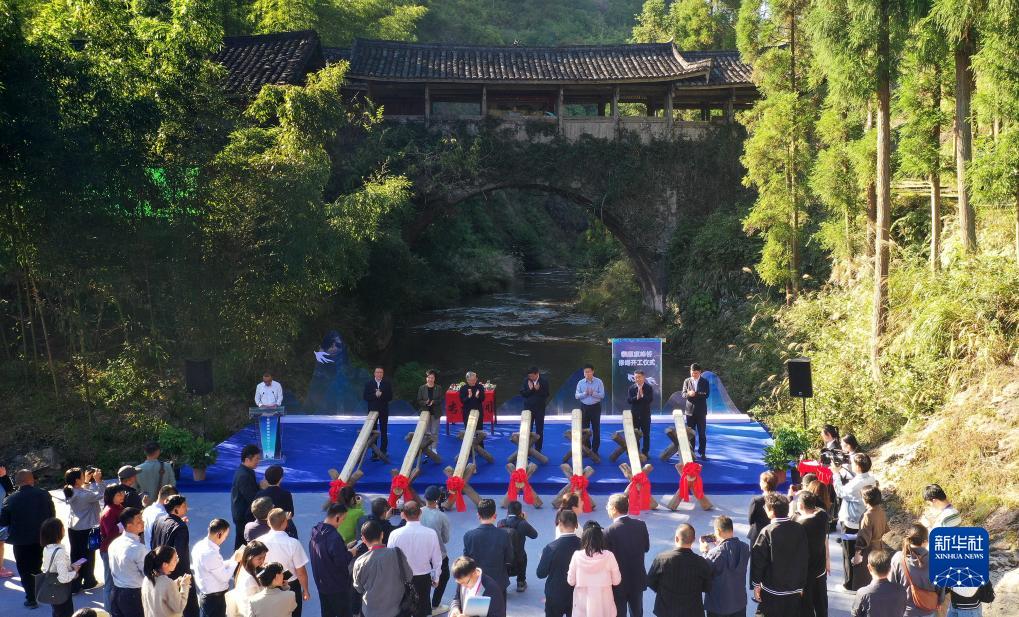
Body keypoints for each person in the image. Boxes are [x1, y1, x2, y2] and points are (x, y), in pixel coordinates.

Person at [0, 468, 56, 608]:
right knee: (37, 566)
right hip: (41, 538)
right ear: (32, 480)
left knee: (24, 570)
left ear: (17, 482)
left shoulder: (10, 500)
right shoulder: (44, 494)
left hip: (20, 541)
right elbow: (52, 516)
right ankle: (41, 592)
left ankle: (31, 599)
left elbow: (3, 522)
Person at [750, 493, 809, 617]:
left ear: (772, 511)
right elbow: (804, 558)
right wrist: (801, 585)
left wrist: (756, 585)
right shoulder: (799, 529)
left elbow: (758, 561)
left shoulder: (767, 531)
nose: (764, 508)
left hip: (772, 591)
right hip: (794, 589)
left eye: (766, 507)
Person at [830, 452, 876, 591]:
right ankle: (860, 582)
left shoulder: (856, 484)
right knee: (861, 553)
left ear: (858, 466)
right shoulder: (871, 479)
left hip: (851, 522)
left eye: (853, 463)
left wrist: (836, 474)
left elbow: (840, 492)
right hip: (862, 520)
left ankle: (849, 584)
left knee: (848, 553)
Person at [388, 501, 442, 617]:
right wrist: (436, 577)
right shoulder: (431, 533)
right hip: (423, 578)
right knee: (422, 611)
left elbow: (390, 559)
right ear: (420, 513)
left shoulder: (394, 534)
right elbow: (437, 559)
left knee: (402, 611)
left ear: (403, 514)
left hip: (401, 578)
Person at [647, 523, 711, 617]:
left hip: (666, 611)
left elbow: (650, 581)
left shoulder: (662, 559)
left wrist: (664, 591)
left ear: (676, 538)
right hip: (692, 612)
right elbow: (707, 586)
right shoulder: (701, 562)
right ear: (693, 540)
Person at [352, 520, 413, 617]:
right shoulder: (397, 553)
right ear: (382, 535)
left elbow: (358, 588)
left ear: (363, 539)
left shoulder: (360, 562)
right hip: (397, 610)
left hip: (370, 612)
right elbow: (409, 576)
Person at [150, 495, 199, 617]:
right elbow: (180, 555)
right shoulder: (180, 527)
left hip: (160, 572)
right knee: (189, 609)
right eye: (184, 506)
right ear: (176, 509)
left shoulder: (159, 521)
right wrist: (185, 578)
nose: (187, 508)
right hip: (177, 575)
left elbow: (153, 544)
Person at [604, 493, 650, 617]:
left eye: (608, 506)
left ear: (614, 509)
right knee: (637, 613)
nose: (606, 508)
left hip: (617, 582)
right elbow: (646, 548)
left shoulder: (608, 532)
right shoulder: (641, 525)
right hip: (637, 579)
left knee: (619, 613)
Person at [261, 508, 311, 617]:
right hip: (291, 586)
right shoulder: (293, 543)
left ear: (268, 523)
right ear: (285, 523)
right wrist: (305, 590)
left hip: (267, 586)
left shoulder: (259, 541)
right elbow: (301, 572)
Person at [462, 498, 513, 599]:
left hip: (477, 584)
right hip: (499, 582)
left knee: (479, 609)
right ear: (495, 515)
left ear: (478, 515)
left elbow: (466, 561)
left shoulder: (469, 536)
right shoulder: (504, 535)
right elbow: (509, 558)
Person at [309, 502, 354, 617]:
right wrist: (351, 553)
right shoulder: (334, 537)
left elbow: (326, 552)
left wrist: (344, 548)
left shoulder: (315, 531)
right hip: (337, 586)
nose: (343, 522)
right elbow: (341, 561)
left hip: (322, 583)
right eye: (343, 519)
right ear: (337, 517)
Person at [567, 521, 621, 617]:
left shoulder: (576, 556)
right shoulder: (609, 556)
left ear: (584, 537)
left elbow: (571, 581)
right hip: (605, 608)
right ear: (601, 538)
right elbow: (616, 581)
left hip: (582, 609)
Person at [64, 466, 103, 593]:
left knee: (76, 554)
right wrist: (98, 481)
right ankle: (89, 581)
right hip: (86, 528)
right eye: (82, 476)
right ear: (76, 480)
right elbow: (101, 494)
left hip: (73, 528)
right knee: (88, 555)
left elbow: (84, 492)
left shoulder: (70, 491)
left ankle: (75, 583)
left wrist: (86, 481)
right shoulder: (84, 495)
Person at [889, 523, 942, 617]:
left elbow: (892, 584)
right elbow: (940, 587)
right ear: (925, 541)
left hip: (906, 610)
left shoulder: (898, 558)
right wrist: (940, 602)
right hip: (928, 608)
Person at [701, 515, 749, 617]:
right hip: (739, 603)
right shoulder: (745, 548)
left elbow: (704, 572)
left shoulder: (714, 553)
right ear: (731, 529)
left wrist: (705, 552)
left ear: (718, 531)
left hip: (718, 606)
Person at [536, 509, 581, 617]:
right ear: (576, 525)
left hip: (555, 593)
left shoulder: (551, 548)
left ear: (560, 524)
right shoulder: (584, 545)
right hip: (577, 593)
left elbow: (541, 573)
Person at [795, 491, 830, 617]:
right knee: (821, 603)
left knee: (806, 605)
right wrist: (828, 559)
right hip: (820, 568)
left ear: (801, 505)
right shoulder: (823, 516)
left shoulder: (798, 524)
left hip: (806, 572)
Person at [191, 518, 234, 617]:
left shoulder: (199, 546)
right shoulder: (210, 553)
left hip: (208, 597)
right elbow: (224, 577)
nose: (225, 539)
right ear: (219, 534)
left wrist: (231, 561)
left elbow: (214, 567)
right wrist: (235, 561)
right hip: (215, 600)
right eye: (225, 536)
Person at [109, 507, 147, 617]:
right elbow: (147, 574)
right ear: (129, 526)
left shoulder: (114, 543)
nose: (143, 523)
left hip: (116, 592)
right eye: (139, 521)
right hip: (133, 596)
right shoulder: (138, 548)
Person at [420, 486, 452, 615]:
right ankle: (435, 605)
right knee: (444, 576)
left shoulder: (417, 512)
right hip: (438, 555)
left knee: (423, 581)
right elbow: (445, 539)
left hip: (420, 555)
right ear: (438, 498)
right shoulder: (442, 517)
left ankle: (424, 606)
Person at [852, 485, 890, 591]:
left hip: (869, 550)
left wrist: (857, 554)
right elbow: (886, 529)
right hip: (879, 547)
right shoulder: (881, 511)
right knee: (875, 575)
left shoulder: (868, 515)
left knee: (863, 578)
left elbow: (863, 539)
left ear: (866, 499)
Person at [41, 517, 81, 617]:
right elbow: (63, 578)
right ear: (57, 532)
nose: (64, 529)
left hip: (51, 587)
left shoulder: (47, 548)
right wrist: (74, 572)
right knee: (65, 613)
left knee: (57, 612)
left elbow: (52, 567)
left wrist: (69, 567)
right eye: (62, 527)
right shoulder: (60, 552)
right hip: (61, 590)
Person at [497, 500, 539, 593]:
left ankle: (502, 584)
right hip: (517, 560)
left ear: (507, 512)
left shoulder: (500, 523)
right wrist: (524, 520)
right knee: (523, 555)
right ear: (520, 512)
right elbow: (534, 535)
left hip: (503, 559)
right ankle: (521, 583)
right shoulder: (523, 523)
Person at [851, 550, 907, 617]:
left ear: (869, 567)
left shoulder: (863, 593)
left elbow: (855, 614)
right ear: (890, 568)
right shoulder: (901, 590)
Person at [141, 546, 192, 617]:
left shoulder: (147, 579)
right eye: (175, 560)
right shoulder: (167, 583)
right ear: (165, 564)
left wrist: (175, 583)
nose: (177, 561)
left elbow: (160, 591)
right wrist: (184, 585)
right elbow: (179, 607)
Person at [100, 484, 128, 612]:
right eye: (118, 494)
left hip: (118, 549)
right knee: (110, 584)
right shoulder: (109, 511)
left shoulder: (119, 507)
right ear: (111, 496)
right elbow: (110, 533)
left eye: (122, 493)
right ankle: (108, 611)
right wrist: (125, 524)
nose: (122, 495)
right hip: (108, 551)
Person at [231, 444, 261, 550]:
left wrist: (259, 486)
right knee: (244, 545)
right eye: (257, 459)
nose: (258, 461)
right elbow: (252, 498)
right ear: (247, 459)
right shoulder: (244, 475)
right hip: (243, 516)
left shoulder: (246, 471)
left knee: (241, 542)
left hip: (242, 513)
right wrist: (262, 490)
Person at [255, 464, 298, 538]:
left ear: (266, 478)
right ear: (281, 479)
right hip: (281, 529)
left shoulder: (260, 494)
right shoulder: (286, 494)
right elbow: (290, 513)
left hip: (263, 530)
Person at [230, 540, 269, 616]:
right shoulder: (249, 579)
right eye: (259, 558)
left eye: (264, 557)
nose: (262, 561)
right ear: (249, 557)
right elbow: (250, 607)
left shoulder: (243, 567)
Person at [363, 367, 394, 460]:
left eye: (381, 372)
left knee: (384, 431)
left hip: (383, 410)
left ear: (383, 374)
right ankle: (375, 452)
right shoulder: (369, 383)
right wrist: (375, 395)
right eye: (377, 372)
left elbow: (390, 397)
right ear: (374, 373)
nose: (379, 374)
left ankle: (383, 451)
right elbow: (365, 397)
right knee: (373, 431)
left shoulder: (387, 384)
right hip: (372, 411)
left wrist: (381, 395)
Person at [574, 364, 605, 454]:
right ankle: (587, 449)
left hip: (595, 407)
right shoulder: (580, 382)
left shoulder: (599, 382)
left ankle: (595, 450)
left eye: (589, 372)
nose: (587, 374)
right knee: (584, 429)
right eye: (585, 372)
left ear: (593, 372)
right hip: (584, 407)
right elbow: (576, 396)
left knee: (596, 429)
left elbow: (602, 395)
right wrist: (585, 394)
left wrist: (593, 393)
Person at [681, 363, 710, 459]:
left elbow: (706, 394)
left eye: (696, 373)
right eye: (692, 373)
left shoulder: (705, 381)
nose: (694, 375)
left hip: (701, 411)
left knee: (702, 433)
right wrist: (688, 394)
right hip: (689, 411)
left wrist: (695, 394)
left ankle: (702, 452)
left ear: (700, 372)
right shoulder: (687, 381)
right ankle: (691, 452)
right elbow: (683, 394)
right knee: (690, 433)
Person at [520, 367, 550, 451]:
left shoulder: (544, 381)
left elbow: (546, 394)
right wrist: (531, 390)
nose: (531, 378)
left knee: (539, 430)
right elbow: (523, 394)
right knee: (527, 429)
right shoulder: (526, 380)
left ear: (537, 374)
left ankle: (538, 449)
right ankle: (527, 448)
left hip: (539, 409)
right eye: (529, 376)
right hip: (528, 409)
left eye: (532, 376)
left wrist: (537, 390)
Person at [627, 370, 654, 455]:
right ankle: (636, 452)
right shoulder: (631, 388)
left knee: (646, 434)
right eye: (636, 377)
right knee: (635, 434)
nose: (637, 379)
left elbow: (650, 400)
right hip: (634, 415)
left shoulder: (649, 388)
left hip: (645, 415)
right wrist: (637, 397)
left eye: (639, 377)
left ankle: (645, 453)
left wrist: (642, 395)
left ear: (643, 377)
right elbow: (629, 400)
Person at [748, 471, 778, 547]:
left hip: (758, 534)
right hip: (774, 532)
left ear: (765, 484)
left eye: (761, 481)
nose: (759, 483)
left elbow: (751, 519)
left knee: (756, 553)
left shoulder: (756, 501)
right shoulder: (780, 499)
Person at [416, 370, 445, 441]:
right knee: (426, 432)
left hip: (436, 413)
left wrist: (434, 402)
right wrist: (425, 402)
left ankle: (433, 447)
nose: (430, 379)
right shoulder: (422, 388)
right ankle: (427, 446)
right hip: (425, 412)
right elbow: (419, 400)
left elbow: (441, 399)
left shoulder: (438, 388)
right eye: (428, 377)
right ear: (426, 378)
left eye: (432, 378)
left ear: (434, 379)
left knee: (434, 432)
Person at [0, 464, 13, 579]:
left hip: (1, 517)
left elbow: (10, 490)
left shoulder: (2, 479)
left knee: (0, 543)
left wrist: (4, 476)